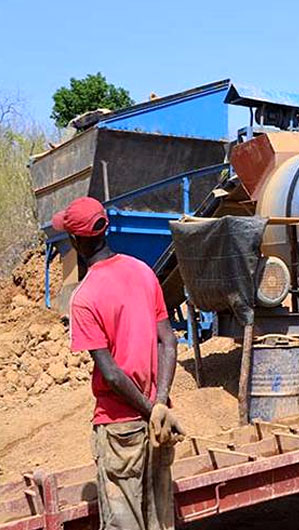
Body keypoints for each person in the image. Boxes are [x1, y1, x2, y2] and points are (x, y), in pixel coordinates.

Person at [52, 197, 185, 530]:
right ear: (104, 228)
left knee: (124, 524)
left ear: (75, 241)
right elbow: (168, 340)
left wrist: (146, 409)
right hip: (158, 423)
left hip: (120, 427)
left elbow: (111, 373)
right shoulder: (143, 272)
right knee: (160, 520)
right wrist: (158, 405)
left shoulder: (84, 298)